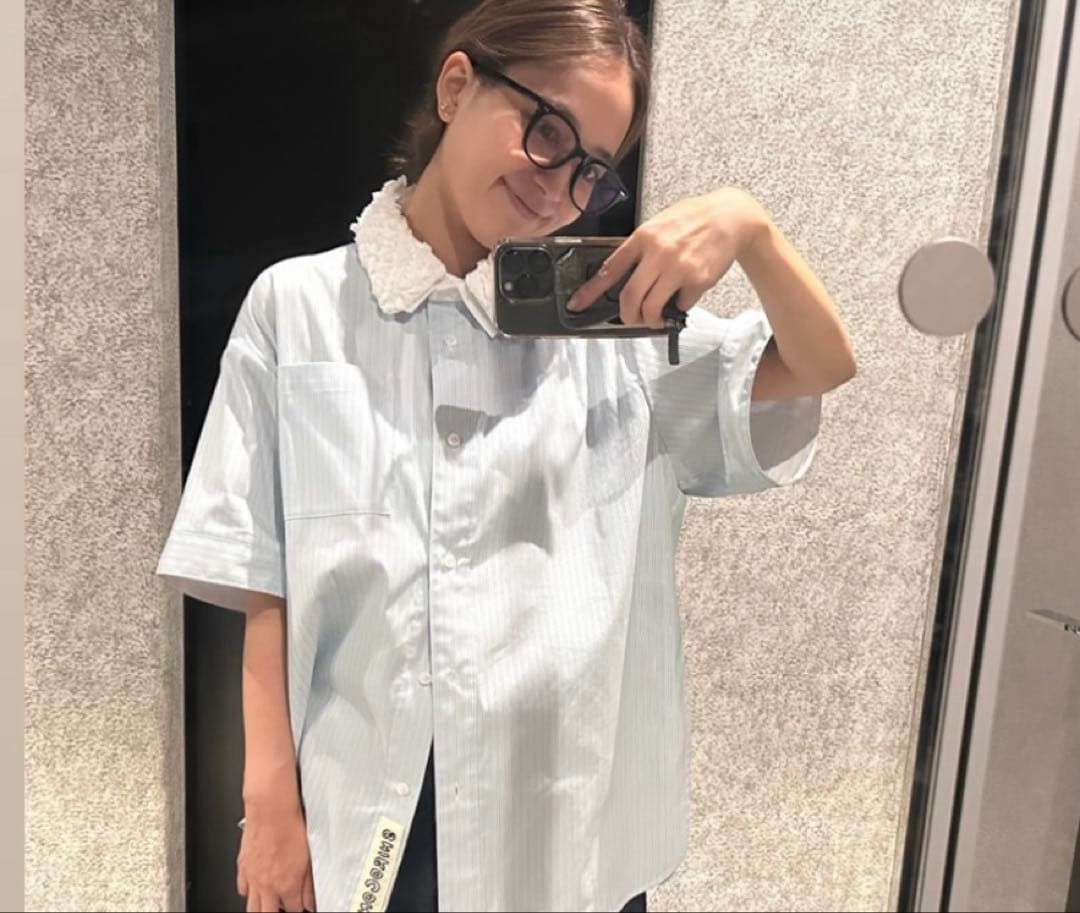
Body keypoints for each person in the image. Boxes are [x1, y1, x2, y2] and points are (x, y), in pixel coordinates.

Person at [155, 1, 856, 911]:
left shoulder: (610, 323)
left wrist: (749, 226)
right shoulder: (299, 309)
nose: (558, 187)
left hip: (564, 824)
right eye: (548, 130)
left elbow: (819, 364)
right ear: (457, 86)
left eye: (592, 170)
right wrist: (269, 805)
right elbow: (264, 577)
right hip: (368, 807)